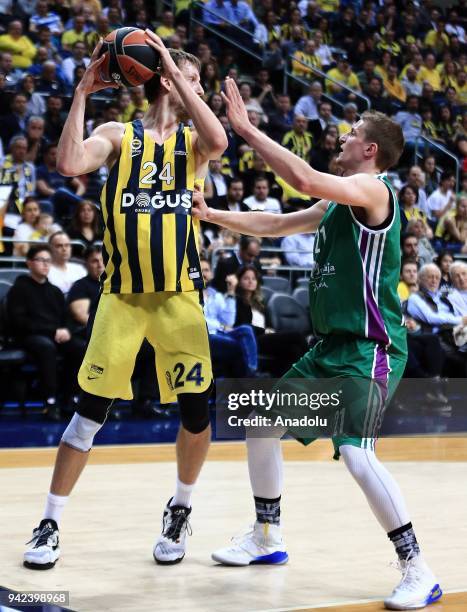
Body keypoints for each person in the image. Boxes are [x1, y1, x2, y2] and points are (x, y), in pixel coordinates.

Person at [192, 78, 441, 610]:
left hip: (369, 349)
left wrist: (248, 131)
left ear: (370, 150)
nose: (342, 138)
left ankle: (418, 568)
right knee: (260, 422)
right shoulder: (336, 207)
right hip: (328, 349)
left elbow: (302, 178)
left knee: (355, 453)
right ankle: (266, 536)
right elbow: (279, 223)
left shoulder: (376, 190)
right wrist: (214, 216)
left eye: (351, 134)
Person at [23, 32, 227, 570]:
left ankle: (180, 509)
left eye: (198, 83)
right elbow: (69, 163)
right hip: (122, 296)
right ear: (165, 81)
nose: (198, 89)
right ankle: (49, 522)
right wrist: (83, 92)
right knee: (88, 414)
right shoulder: (119, 135)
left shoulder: (195, 143)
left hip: (179, 296)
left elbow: (221, 140)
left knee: (196, 411)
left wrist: (175, 67)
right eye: (191, 81)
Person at [7, 245, 84, 420]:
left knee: (80, 347)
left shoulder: (55, 291)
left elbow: (67, 318)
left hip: (55, 335)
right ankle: (50, 402)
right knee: (46, 347)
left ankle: (69, 398)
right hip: (28, 337)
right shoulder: (19, 289)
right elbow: (19, 322)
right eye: (41, 260)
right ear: (29, 263)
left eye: (48, 260)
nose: (45, 264)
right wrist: (52, 331)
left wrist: (66, 330)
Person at [48, 231, 86, 295]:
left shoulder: (80, 269)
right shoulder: (46, 270)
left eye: (67, 245)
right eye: (59, 246)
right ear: (50, 249)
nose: (64, 249)